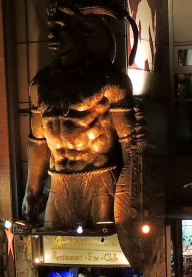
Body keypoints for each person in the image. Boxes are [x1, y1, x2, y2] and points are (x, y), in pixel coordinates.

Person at [22, 0, 138, 231]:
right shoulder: (40, 85)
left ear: (82, 30)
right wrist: (31, 192)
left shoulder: (110, 81)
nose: (52, 36)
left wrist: (133, 195)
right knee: (54, 250)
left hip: (100, 182)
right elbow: (38, 145)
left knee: (106, 249)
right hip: (57, 183)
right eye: (50, 28)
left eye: (61, 28)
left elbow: (130, 145)